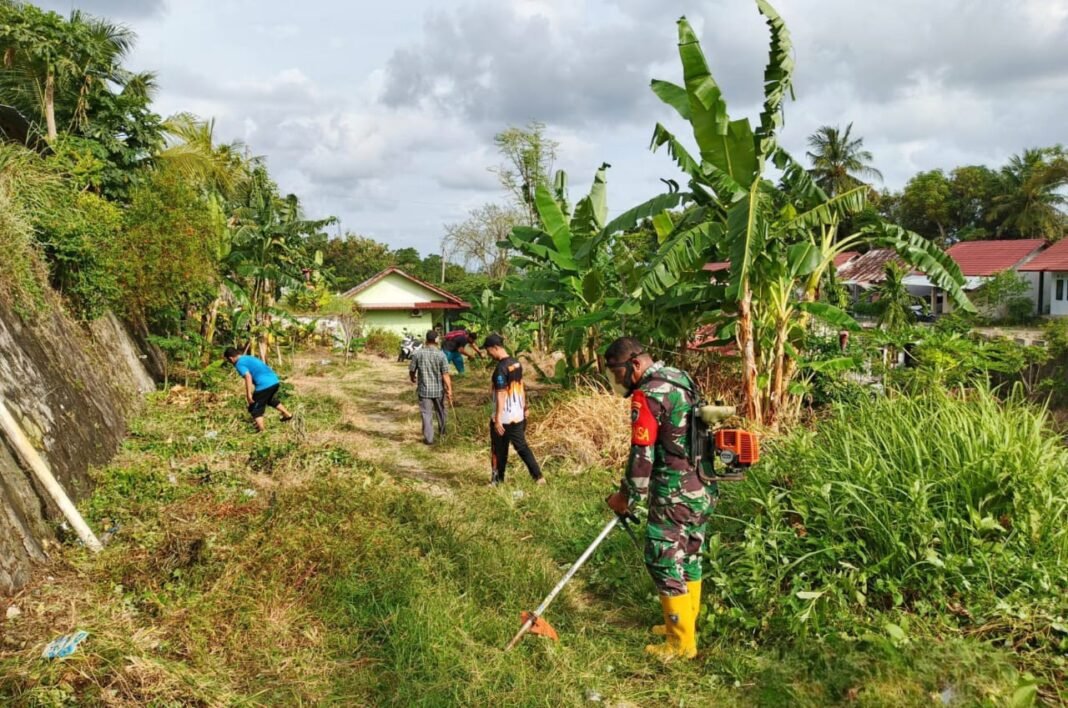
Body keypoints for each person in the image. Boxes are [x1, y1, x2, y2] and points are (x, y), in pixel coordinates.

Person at [603, 337, 713, 661]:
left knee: (663, 559)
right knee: (690, 555)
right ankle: (684, 623)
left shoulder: (648, 394)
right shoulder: (680, 377)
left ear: (634, 365)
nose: (618, 380)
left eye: (618, 372)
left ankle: (680, 645)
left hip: (674, 493)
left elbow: (642, 456)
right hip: (702, 486)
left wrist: (626, 497)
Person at [483, 333, 545, 486]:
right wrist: (525, 407)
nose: (488, 353)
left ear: (495, 348)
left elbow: (502, 393)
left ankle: (497, 481)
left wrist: (497, 418)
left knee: (498, 450)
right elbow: (521, 386)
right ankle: (538, 477)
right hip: (518, 415)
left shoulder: (501, 368)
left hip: (504, 417)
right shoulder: (516, 364)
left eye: (488, 350)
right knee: (522, 446)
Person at [223, 347, 293, 432]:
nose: (231, 363)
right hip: (274, 381)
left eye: (229, 361)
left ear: (231, 358)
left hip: (264, 385)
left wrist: (248, 394)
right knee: (269, 400)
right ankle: (287, 414)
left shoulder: (239, 363)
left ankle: (262, 431)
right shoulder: (248, 357)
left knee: (254, 408)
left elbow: (248, 376)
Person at [409, 329, 452, 445]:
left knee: (426, 414)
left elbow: (412, 369)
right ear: (436, 340)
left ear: (426, 340)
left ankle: (429, 439)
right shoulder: (441, 355)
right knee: (441, 412)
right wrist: (449, 389)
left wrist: (412, 378)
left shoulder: (418, 354)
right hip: (439, 390)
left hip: (424, 390)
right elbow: (445, 374)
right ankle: (443, 434)